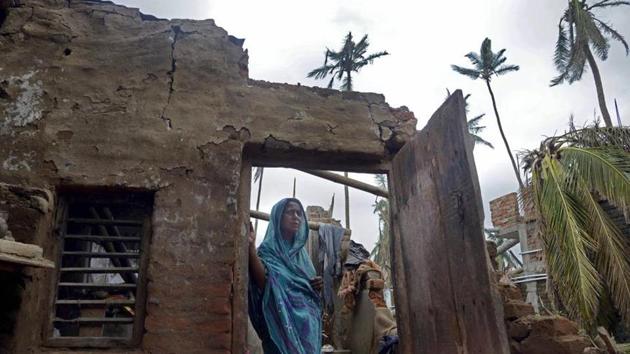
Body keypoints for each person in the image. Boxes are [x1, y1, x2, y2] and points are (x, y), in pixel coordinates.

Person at [248, 198, 323, 354]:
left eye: (299, 213)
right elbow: (265, 284)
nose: (296, 217)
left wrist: (316, 285)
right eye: (290, 212)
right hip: (279, 326)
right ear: (278, 217)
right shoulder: (268, 252)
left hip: (306, 330)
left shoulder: (303, 257)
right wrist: (250, 248)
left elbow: (307, 290)